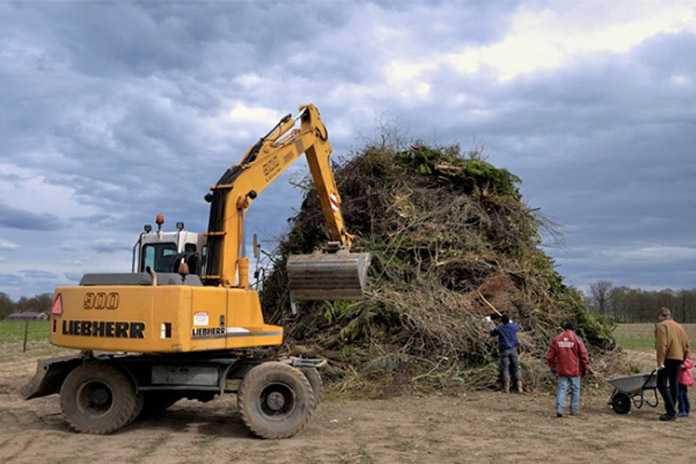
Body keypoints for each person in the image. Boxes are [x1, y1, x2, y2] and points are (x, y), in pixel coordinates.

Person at [546, 321, 589, 417]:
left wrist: (552, 366)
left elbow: (550, 356)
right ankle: (573, 410)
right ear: (573, 329)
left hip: (562, 369)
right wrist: (585, 368)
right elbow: (583, 355)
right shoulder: (576, 339)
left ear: (564, 329)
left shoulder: (557, 339)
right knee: (575, 389)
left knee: (562, 388)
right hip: (574, 369)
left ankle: (560, 409)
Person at [655, 307, 690, 421]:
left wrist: (660, 362)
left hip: (668, 358)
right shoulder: (679, 326)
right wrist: (684, 359)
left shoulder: (661, 326)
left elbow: (661, 345)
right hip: (679, 358)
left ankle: (670, 411)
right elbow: (686, 344)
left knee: (661, 384)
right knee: (674, 384)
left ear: (661, 315)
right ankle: (671, 409)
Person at [489, 314, 523, 393]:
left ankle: (506, 388)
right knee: (516, 368)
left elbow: (491, 333)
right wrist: (511, 322)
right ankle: (520, 388)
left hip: (504, 350)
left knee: (505, 369)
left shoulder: (500, 328)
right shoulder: (514, 326)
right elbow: (517, 327)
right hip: (513, 349)